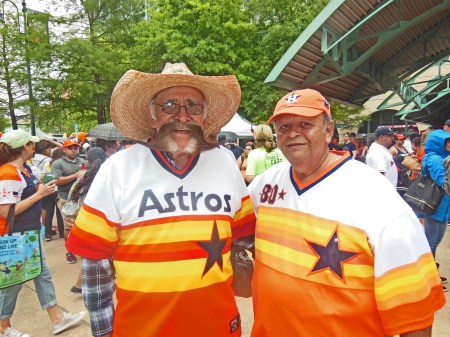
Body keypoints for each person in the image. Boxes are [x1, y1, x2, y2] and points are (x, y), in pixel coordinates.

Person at [66, 62, 256, 337]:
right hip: (142, 329)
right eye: (169, 105)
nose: (182, 116)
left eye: (193, 106)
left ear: (204, 115)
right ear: (152, 115)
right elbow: (95, 268)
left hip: (218, 327)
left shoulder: (225, 164)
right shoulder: (118, 169)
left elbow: (246, 239)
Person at [247, 89, 445, 337]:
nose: (293, 133)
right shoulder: (264, 185)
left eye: (306, 124)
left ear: (328, 130)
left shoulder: (374, 194)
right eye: (284, 126)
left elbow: (415, 313)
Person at [0, 130, 85, 337]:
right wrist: (39, 194)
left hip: (29, 233)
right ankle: (3, 326)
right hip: (16, 236)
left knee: (40, 273)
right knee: (13, 280)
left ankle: (57, 319)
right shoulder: (9, 173)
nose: (34, 147)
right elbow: (5, 211)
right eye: (31, 144)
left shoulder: (24, 169)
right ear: (23, 147)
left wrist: (43, 188)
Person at [62, 147, 107, 294]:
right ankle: (83, 286)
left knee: (90, 259)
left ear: (87, 161)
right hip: (103, 226)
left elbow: (70, 202)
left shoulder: (82, 179)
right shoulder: (109, 177)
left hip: (83, 225)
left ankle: (80, 285)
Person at [421, 129, 450, 292]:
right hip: (436, 206)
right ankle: (429, 278)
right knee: (431, 242)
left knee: (435, 241)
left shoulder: (440, 157)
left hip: (442, 206)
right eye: (447, 142)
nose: (449, 145)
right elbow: (442, 181)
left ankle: (431, 273)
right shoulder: (435, 158)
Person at [50, 139, 87, 264]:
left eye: (75, 148)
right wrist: (76, 175)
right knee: (69, 226)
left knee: (81, 225)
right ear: (64, 149)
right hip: (66, 199)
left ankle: (81, 248)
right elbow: (56, 181)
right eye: (70, 148)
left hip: (81, 198)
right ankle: (69, 251)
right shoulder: (58, 163)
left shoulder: (83, 161)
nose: (73, 150)